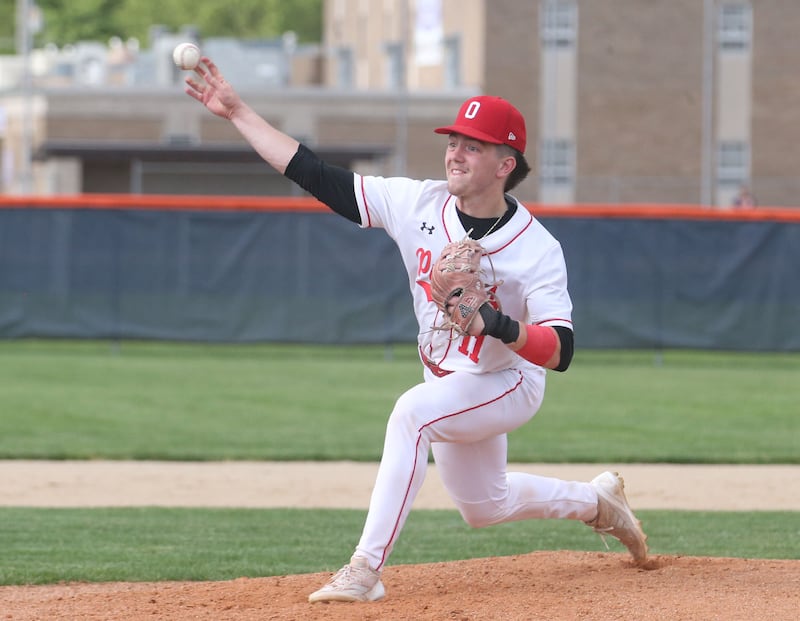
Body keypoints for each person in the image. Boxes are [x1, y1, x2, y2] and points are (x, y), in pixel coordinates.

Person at [185, 57, 649, 603]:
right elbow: (314, 173)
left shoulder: (536, 247)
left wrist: (494, 323)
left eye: (472, 145)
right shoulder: (419, 203)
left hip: (507, 383)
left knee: (411, 415)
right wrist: (238, 112)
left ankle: (365, 568)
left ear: (506, 163)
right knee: (484, 506)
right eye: (453, 141)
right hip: (447, 378)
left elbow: (561, 349)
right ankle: (599, 503)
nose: (455, 152)